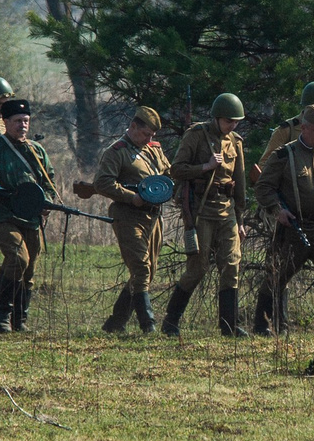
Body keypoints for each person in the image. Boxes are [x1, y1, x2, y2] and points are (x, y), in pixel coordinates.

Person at [250, 82, 314, 332]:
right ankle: (264, 325)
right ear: (304, 127)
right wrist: (277, 210)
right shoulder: (284, 152)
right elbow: (263, 185)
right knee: (278, 274)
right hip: (293, 225)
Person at [163, 93, 249, 339]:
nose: (233, 126)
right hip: (201, 209)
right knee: (198, 267)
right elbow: (176, 169)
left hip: (226, 210)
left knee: (231, 264)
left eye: (236, 122)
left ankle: (229, 326)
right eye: (229, 121)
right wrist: (205, 167)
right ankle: (171, 321)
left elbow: (240, 182)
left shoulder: (235, 142)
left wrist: (240, 219)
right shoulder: (196, 135)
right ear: (217, 118)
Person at [80, 105, 170, 333]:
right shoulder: (116, 151)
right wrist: (132, 197)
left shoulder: (153, 150)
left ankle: (116, 322)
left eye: (151, 135)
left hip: (153, 216)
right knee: (141, 268)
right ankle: (147, 323)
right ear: (133, 126)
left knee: (149, 271)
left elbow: (167, 172)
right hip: (128, 215)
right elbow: (102, 183)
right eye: (145, 134)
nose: (149, 139)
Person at [0, 99, 56, 333]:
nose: (22, 125)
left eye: (26, 121)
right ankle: (2, 314)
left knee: (29, 270)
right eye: (17, 121)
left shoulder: (36, 150)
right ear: (5, 122)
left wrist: (46, 201)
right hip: (1, 215)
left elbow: (49, 181)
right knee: (19, 258)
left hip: (30, 218)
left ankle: (19, 319)